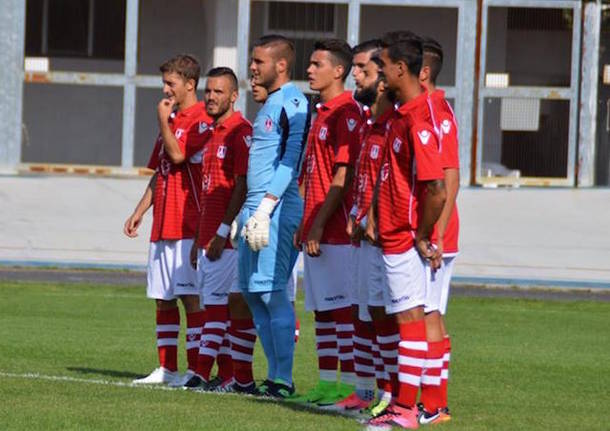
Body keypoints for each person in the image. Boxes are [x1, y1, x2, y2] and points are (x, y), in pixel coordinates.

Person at [367, 32, 446, 429]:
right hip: (393, 232)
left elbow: (437, 188)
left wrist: (422, 234)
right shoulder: (402, 114)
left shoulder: (418, 119)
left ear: (401, 68)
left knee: (410, 318)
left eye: (382, 65)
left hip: (404, 234)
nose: (380, 73)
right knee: (407, 318)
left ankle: (405, 411)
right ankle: (409, 407)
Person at [123, 54, 211, 386]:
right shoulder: (171, 119)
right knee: (163, 298)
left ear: (190, 84)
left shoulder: (201, 119)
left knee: (191, 298)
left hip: (189, 223)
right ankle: (166, 368)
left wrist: (163, 121)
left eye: (171, 83)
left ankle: (194, 369)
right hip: (163, 223)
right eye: (164, 82)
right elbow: (161, 171)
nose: (165, 89)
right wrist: (139, 211)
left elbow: (178, 155)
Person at [239, 34, 310, 399]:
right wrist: (245, 211)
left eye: (259, 61)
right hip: (254, 207)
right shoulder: (267, 104)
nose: (252, 67)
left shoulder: (294, 101)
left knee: (272, 292)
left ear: (280, 65)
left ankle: (282, 379)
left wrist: (266, 208)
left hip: (277, 208)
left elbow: (291, 158)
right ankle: (274, 375)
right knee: (253, 294)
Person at [294, 38, 363, 406]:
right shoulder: (320, 111)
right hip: (316, 227)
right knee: (321, 308)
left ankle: (348, 385)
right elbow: (311, 172)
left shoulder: (346, 112)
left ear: (339, 70)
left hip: (335, 232)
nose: (309, 69)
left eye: (316, 64)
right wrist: (302, 221)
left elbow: (343, 176)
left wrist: (319, 224)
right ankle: (325, 383)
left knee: (341, 309)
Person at [333, 39, 400, 416]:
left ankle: (392, 393)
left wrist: (372, 216)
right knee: (362, 312)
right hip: (361, 235)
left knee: (382, 314)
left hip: (383, 237)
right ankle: (364, 391)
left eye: (363, 69)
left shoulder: (394, 124)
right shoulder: (366, 124)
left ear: (382, 79)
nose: (354, 75)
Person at [181, 67, 254, 393]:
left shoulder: (241, 132)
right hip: (209, 237)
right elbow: (210, 191)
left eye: (219, 91)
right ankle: (228, 377)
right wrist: (200, 237)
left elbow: (242, 185)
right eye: (208, 91)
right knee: (217, 310)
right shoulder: (212, 133)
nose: (211, 97)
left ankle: (201, 373)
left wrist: (223, 231)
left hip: (227, 241)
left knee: (218, 310)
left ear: (234, 96)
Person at [416, 37, 460, 424]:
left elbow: (451, 176)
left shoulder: (436, 111)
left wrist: (438, 231)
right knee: (431, 312)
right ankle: (433, 401)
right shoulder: (424, 108)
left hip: (435, 232)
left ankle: (434, 404)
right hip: (430, 229)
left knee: (429, 313)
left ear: (422, 72)